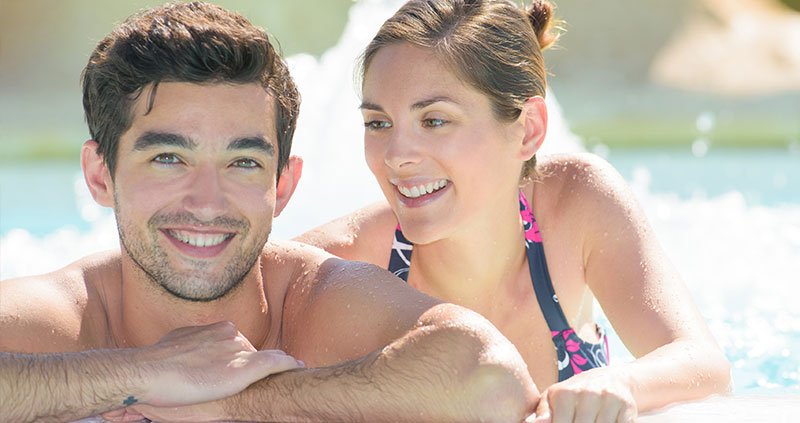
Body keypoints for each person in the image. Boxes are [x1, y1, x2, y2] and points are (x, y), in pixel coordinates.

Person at [0, 2, 539, 422]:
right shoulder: (65, 323)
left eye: (243, 163)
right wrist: (146, 372)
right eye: (168, 158)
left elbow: (492, 380)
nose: (207, 202)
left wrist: (238, 400)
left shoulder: (316, 308)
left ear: (283, 185)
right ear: (100, 175)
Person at [297, 0, 732, 421]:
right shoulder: (341, 265)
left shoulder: (575, 206)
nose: (396, 155)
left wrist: (620, 383)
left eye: (434, 120)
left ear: (529, 129)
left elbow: (703, 363)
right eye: (378, 123)